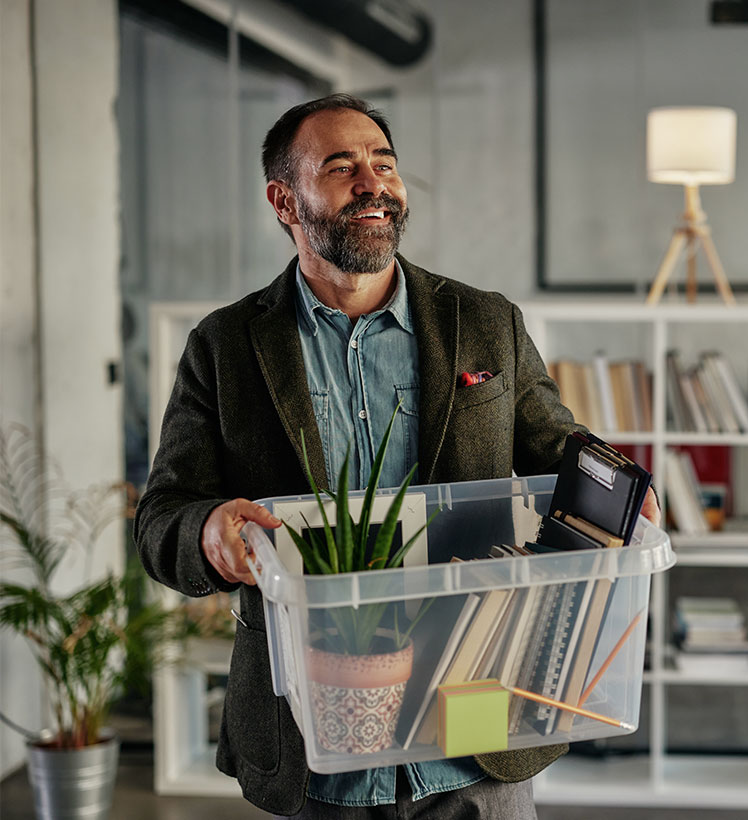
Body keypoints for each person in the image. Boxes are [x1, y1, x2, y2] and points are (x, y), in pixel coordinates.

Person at [135, 93, 658, 819]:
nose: (373, 183)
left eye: (384, 163)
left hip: (475, 727)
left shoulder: (484, 321)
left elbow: (555, 441)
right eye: (341, 166)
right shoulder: (224, 347)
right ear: (284, 200)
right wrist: (208, 532)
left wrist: (618, 483)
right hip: (318, 744)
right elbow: (161, 517)